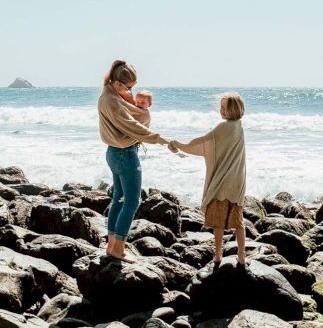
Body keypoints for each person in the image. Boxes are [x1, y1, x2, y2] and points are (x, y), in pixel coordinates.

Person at [98, 60, 168, 262]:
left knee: (118, 198)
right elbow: (133, 127)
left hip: (113, 152)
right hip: (125, 154)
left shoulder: (108, 93)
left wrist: (127, 95)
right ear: (118, 82)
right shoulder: (112, 101)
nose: (131, 91)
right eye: (129, 87)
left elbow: (130, 116)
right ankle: (118, 248)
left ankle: (111, 246)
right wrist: (159, 138)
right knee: (131, 201)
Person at [169, 93, 247, 267]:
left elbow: (203, 142)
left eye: (223, 108)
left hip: (222, 183)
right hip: (237, 181)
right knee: (239, 222)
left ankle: (218, 255)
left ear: (231, 110)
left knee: (218, 222)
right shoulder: (239, 127)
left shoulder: (222, 127)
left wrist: (180, 144)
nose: (221, 110)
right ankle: (242, 256)